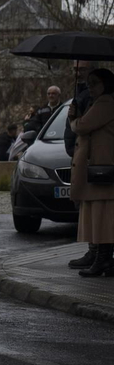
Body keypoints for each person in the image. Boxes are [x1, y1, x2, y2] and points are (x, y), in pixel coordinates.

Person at [68, 68, 114, 278]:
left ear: (106, 84)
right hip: (100, 167)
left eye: (95, 83)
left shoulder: (106, 103)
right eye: (89, 84)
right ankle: (102, 258)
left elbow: (82, 126)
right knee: (101, 215)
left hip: (102, 168)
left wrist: (73, 119)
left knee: (102, 215)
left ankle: (103, 259)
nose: (91, 88)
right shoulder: (100, 103)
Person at [65, 62, 97, 269]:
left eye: (82, 69)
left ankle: (98, 253)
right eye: (75, 69)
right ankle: (95, 251)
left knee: (94, 209)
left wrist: (74, 119)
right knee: (87, 208)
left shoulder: (98, 100)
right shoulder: (81, 94)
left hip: (91, 158)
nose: (78, 73)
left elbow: (83, 125)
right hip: (80, 154)